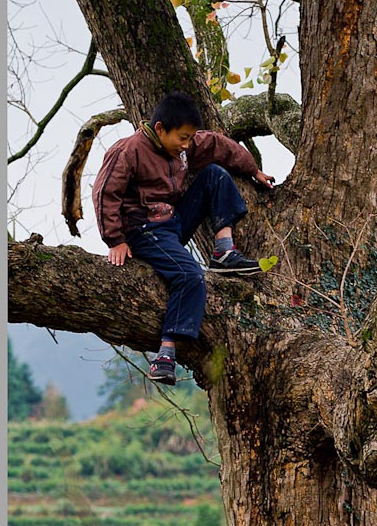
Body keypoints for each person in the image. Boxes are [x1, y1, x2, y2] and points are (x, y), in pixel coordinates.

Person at [93, 91, 276, 386]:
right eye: (182, 137)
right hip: (143, 231)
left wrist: (253, 169)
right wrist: (114, 240)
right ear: (160, 128)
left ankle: (223, 252)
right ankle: (165, 356)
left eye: (190, 138)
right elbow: (104, 194)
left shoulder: (182, 148)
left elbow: (218, 144)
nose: (187, 144)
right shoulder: (127, 151)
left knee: (215, 174)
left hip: (173, 222)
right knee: (190, 275)